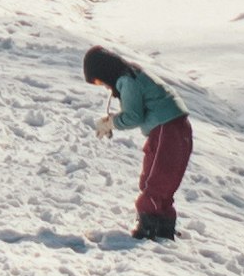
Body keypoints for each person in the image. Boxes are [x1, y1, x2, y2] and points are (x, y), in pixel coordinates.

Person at [81, 41, 190, 238]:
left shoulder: (127, 81)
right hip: (172, 128)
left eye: (99, 81)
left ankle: (149, 228)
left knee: (155, 182)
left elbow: (133, 116)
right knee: (160, 181)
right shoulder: (132, 73)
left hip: (167, 129)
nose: (104, 86)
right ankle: (162, 227)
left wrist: (111, 123)